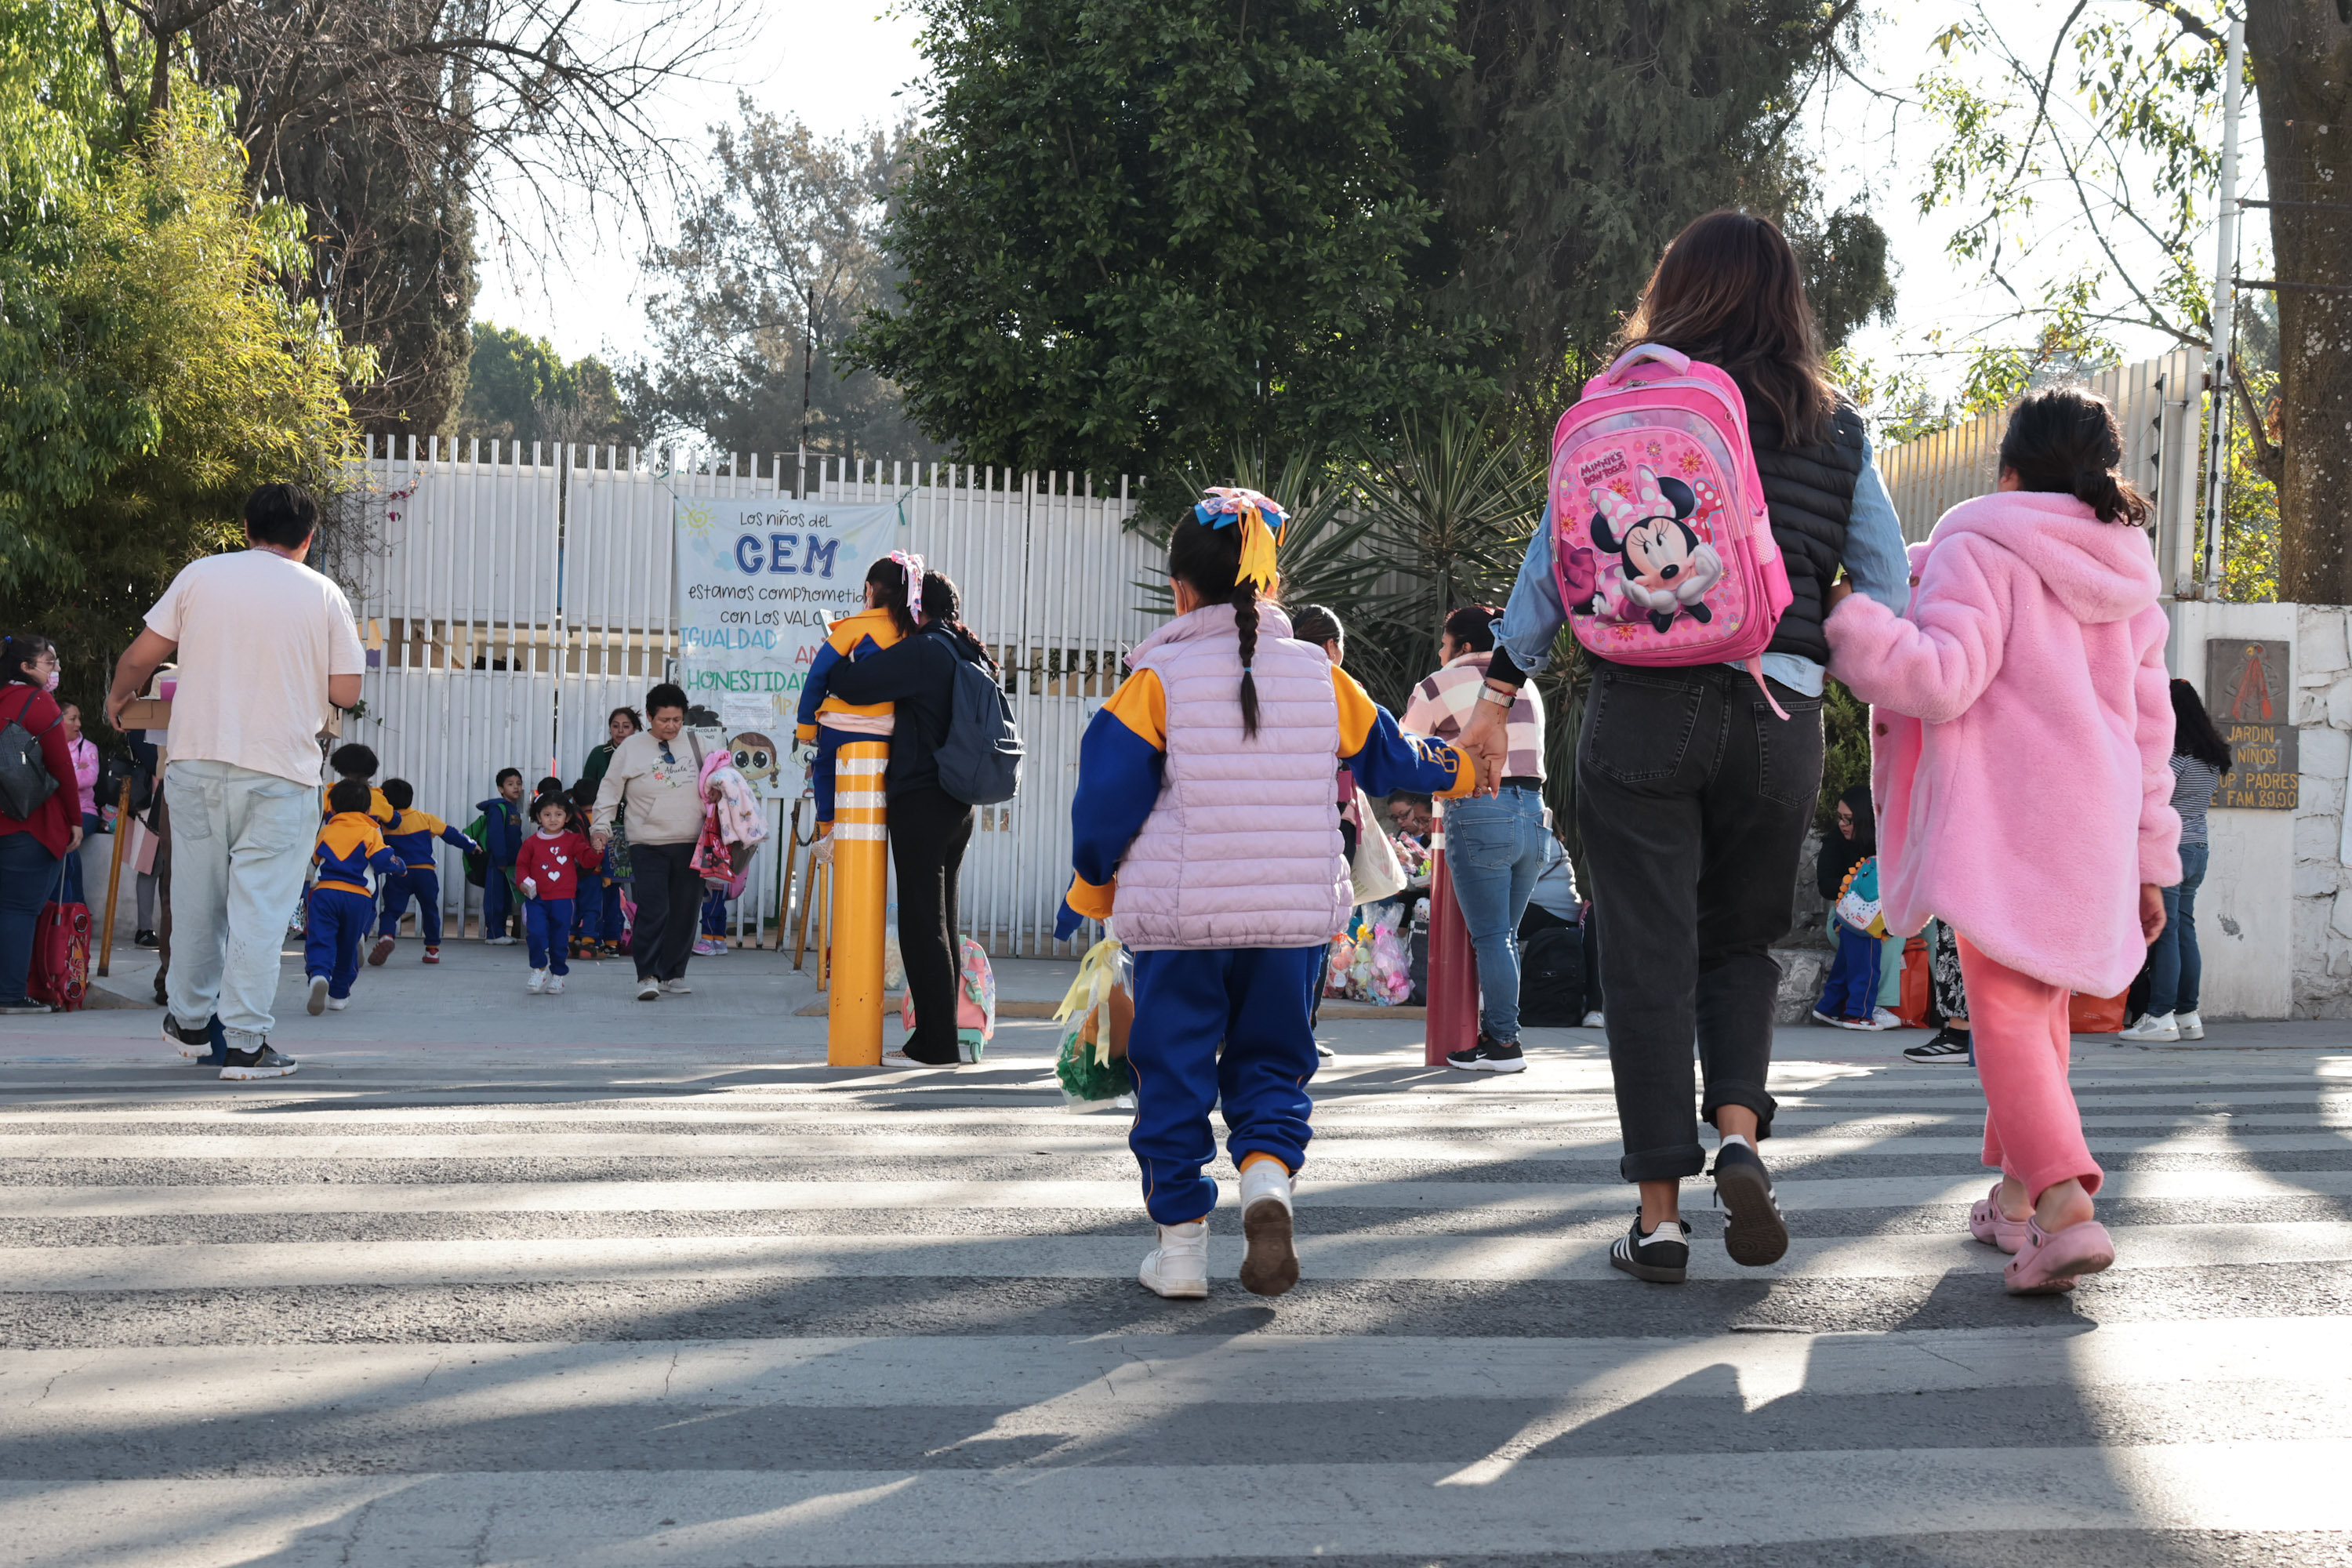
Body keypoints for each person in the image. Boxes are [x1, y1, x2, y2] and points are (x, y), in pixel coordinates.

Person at [1452, 210, 1911, 1285]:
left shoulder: (1625, 406)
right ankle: (1742, 1135)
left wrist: (1497, 691)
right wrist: (1806, 630)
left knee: (1646, 960)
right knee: (1739, 946)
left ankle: (1658, 1217)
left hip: (1643, 711)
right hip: (1779, 718)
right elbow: (1885, 583)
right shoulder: (1834, 427)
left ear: (1676, 290)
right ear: (1788, 300)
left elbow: (1551, 566)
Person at [1053, 488, 1477, 1300]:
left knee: (1172, 1072)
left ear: (1180, 589)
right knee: (1275, 1064)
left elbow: (1106, 797)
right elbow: (1393, 758)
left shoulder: (1156, 679)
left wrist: (1093, 886)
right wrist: (1464, 767)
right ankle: (1267, 1184)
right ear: (1271, 586)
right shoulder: (1323, 676)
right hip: (1291, 923)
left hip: (1183, 924)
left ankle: (1179, 1252)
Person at [1827, 385, 2177, 1294]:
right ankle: (2017, 1198)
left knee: (2007, 1016)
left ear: (2009, 468)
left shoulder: (1983, 546)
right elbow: (2152, 731)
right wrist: (2150, 861)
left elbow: (1938, 679)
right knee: (2042, 1008)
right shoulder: (2127, 577)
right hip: (2095, 826)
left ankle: (2065, 1205)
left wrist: (1851, 620)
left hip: (2004, 820)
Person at [106, 483, 365, 1080]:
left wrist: (118, 699)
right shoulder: (323, 594)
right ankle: (246, 1044)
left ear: (245, 529)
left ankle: (190, 1024)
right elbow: (347, 691)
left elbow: (141, 657)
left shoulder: (202, 575)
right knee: (261, 910)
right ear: (308, 539)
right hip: (280, 771)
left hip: (196, 764)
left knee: (195, 898)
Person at [823, 569, 996, 1065]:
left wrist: (837, 646)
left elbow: (853, 683)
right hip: (957, 803)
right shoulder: (965, 650)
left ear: (913, 606)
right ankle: (943, 1033)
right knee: (942, 920)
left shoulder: (924, 650)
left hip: (921, 798)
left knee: (922, 925)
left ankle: (937, 1041)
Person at [1404, 604, 1549, 1073]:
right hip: (1534, 814)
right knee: (1503, 937)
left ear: (1463, 646)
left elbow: (1405, 751)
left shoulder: (1438, 684)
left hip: (1481, 809)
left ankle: (1505, 1044)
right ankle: (1499, 1035)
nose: (1441, 653)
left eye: (1444, 645)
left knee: (1491, 938)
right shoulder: (1526, 689)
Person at [2121, 679, 2232, 1042]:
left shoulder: (2175, 757)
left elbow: (2151, 801)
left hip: (2170, 848)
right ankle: (2187, 1014)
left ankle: (2159, 1017)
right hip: (2198, 846)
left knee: (2166, 933)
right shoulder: (2211, 756)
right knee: (2185, 929)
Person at [591, 684, 713, 1001]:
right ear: (649, 717)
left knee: (686, 913)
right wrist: (600, 827)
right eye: (664, 720)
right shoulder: (630, 748)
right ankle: (647, 975)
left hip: (692, 843)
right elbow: (609, 790)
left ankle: (675, 973)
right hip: (647, 843)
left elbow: (717, 783)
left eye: (677, 719)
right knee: (653, 909)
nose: (671, 726)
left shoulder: (699, 743)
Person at [795, 555, 917, 846]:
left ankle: (828, 828)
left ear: (869, 590)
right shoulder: (910, 633)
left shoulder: (852, 627)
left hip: (840, 727)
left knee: (824, 770)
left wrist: (806, 728)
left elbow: (817, 677)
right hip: (888, 731)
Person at [0, 635, 82, 1014]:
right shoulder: (38, 702)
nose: (55, 671)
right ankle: (11, 994)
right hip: (29, 825)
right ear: (26, 667)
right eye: (49, 664)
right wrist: (75, 820)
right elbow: (62, 768)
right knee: (18, 910)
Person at [304, 779, 403, 1017]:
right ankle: (338, 995)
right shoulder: (371, 830)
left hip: (324, 893)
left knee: (321, 937)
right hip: (357, 897)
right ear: (369, 810)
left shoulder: (326, 830)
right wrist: (399, 865)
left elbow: (316, 860)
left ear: (333, 809)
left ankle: (319, 974)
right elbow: (381, 861)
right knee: (348, 945)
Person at [1813, 785, 1898, 1031]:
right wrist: (1856, 884)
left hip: (1887, 913)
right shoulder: (1836, 840)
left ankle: (1829, 1007)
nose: (1841, 824)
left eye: (1848, 819)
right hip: (1849, 916)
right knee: (1880, 942)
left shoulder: (1888, 839)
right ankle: (1867, 1010)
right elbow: (1825, 885)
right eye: (1839, 817)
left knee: (1935, 930)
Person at [371, 778, 477, 966]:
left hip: (399, 873)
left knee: (391, 911)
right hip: (425, 873)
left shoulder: (385, 824)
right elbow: (452, 834)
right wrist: (472, 846)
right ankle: (432, 951)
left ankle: (386, 936)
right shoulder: (425, 818)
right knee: (430, 910)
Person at [516, 789, 601, 995]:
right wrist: (524, 883)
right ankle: (538, 969)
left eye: (558, 814)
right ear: (538, 816)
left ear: (567, 817)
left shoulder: (573, 841)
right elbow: (521, 867)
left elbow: (589, 861)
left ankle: (558, 976)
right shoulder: (531, 843)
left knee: (560, 939)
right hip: (537, 899)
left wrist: (598, 849)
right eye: (547, 814)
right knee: (535, 934)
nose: (553, 819)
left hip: (563, 900)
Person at [475, 768, 526, 944]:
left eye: (519, 784)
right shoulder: (498, 809)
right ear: (500, 788)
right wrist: (501, 860)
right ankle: (494, 935)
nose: (516, 788)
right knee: (494, 898)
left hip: (510, 864)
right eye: (510, 784)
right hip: (497, 863)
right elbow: (496, 837)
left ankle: (501, 933)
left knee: (504, 900)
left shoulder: (513, 810)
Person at [59, 701, 99, 907]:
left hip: (84, 812)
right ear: (58, 721)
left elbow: (87, 779)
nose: (79, 724)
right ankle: (66, 907)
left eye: (79, 718)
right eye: (73, 719)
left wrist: (60, 774)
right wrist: (76, 768)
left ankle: (73, 905)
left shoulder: (88, 747)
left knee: (67, 840)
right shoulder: (48, 746)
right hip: (57, 814)